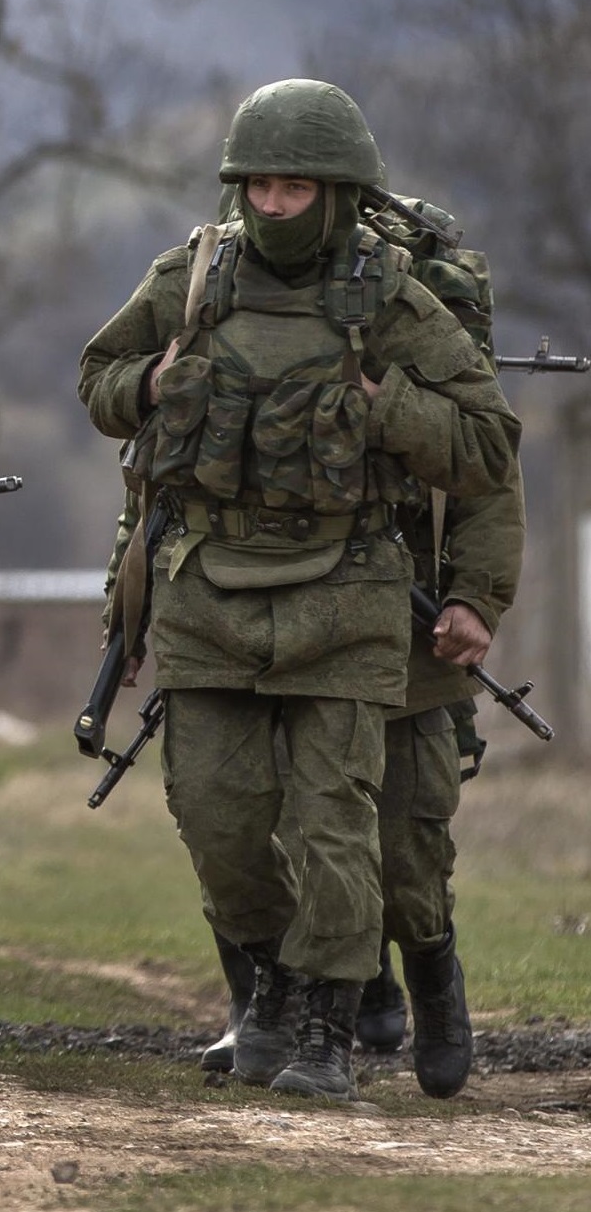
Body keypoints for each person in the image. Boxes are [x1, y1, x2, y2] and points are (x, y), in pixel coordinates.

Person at [77, 79, 519, 1100]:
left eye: (295, 188)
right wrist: (150, 384)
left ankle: (328, 1027)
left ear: (337, 192)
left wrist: (388, 406)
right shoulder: (191, 277)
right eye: (258, 186)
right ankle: (268, 992)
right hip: (209, 591)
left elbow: (490, 444)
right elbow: (103, 382)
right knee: (218, 816)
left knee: (342, 825)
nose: (273, 205)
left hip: (349, 587)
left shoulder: (392, 297)